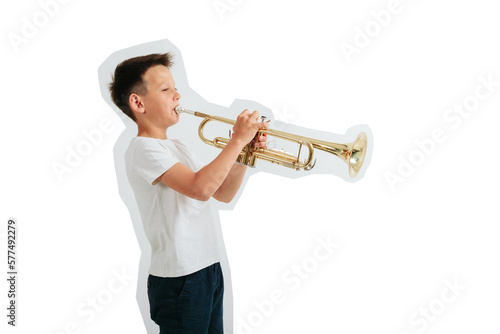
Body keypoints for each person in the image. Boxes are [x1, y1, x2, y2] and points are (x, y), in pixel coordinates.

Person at [108, 52, 268, 333]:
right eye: (166, 89)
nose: (178, 96)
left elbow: (223, 193)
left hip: (208, 267)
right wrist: (238, 139)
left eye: (175, 88)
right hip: (179, 277)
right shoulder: (142, 149)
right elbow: (201, 189)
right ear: (138, 102)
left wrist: (244, 152)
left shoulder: (178, 147)